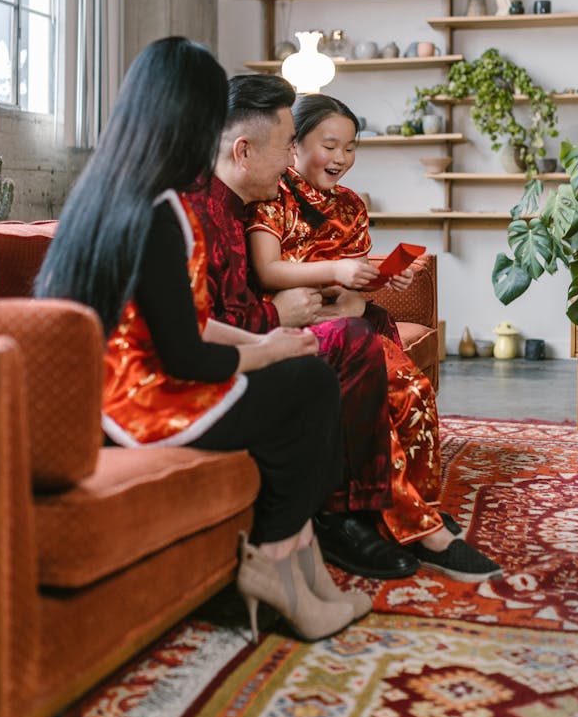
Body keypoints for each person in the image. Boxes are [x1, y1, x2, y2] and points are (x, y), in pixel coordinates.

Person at [35, 37, 370, 642]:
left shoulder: (115, 192)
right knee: (311, 389)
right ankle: (275, 560)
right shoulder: (159, 211)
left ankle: (298, 556)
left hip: (121, 390)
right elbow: (185, 354)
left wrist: (269, 344)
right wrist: (266, 348)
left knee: (305, 375)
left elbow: (181, 323)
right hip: (137, 405)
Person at [246, 92, 502, 582]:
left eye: (350, 147)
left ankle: (414, 511)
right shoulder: (272, 197)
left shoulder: (352, 206)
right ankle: (416, 527)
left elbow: (352, 284)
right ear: (293, 144)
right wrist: (341, 271)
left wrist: (382, 276)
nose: (341, 158)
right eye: (330, 145)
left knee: (417, 393)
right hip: (307, 327)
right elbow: (267, 269)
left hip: (352, 319)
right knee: (387, 393)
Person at [186, 75, 420, 581]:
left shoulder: (236, 206)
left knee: (365, 329)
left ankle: (392, 502)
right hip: (219, 363)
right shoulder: (196, 213)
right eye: (289, 144)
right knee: (349, 342)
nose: (294, 158)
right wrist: (278, 316)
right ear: (245, 151)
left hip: (261, 333)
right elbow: (200, 325)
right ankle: (343, 516)